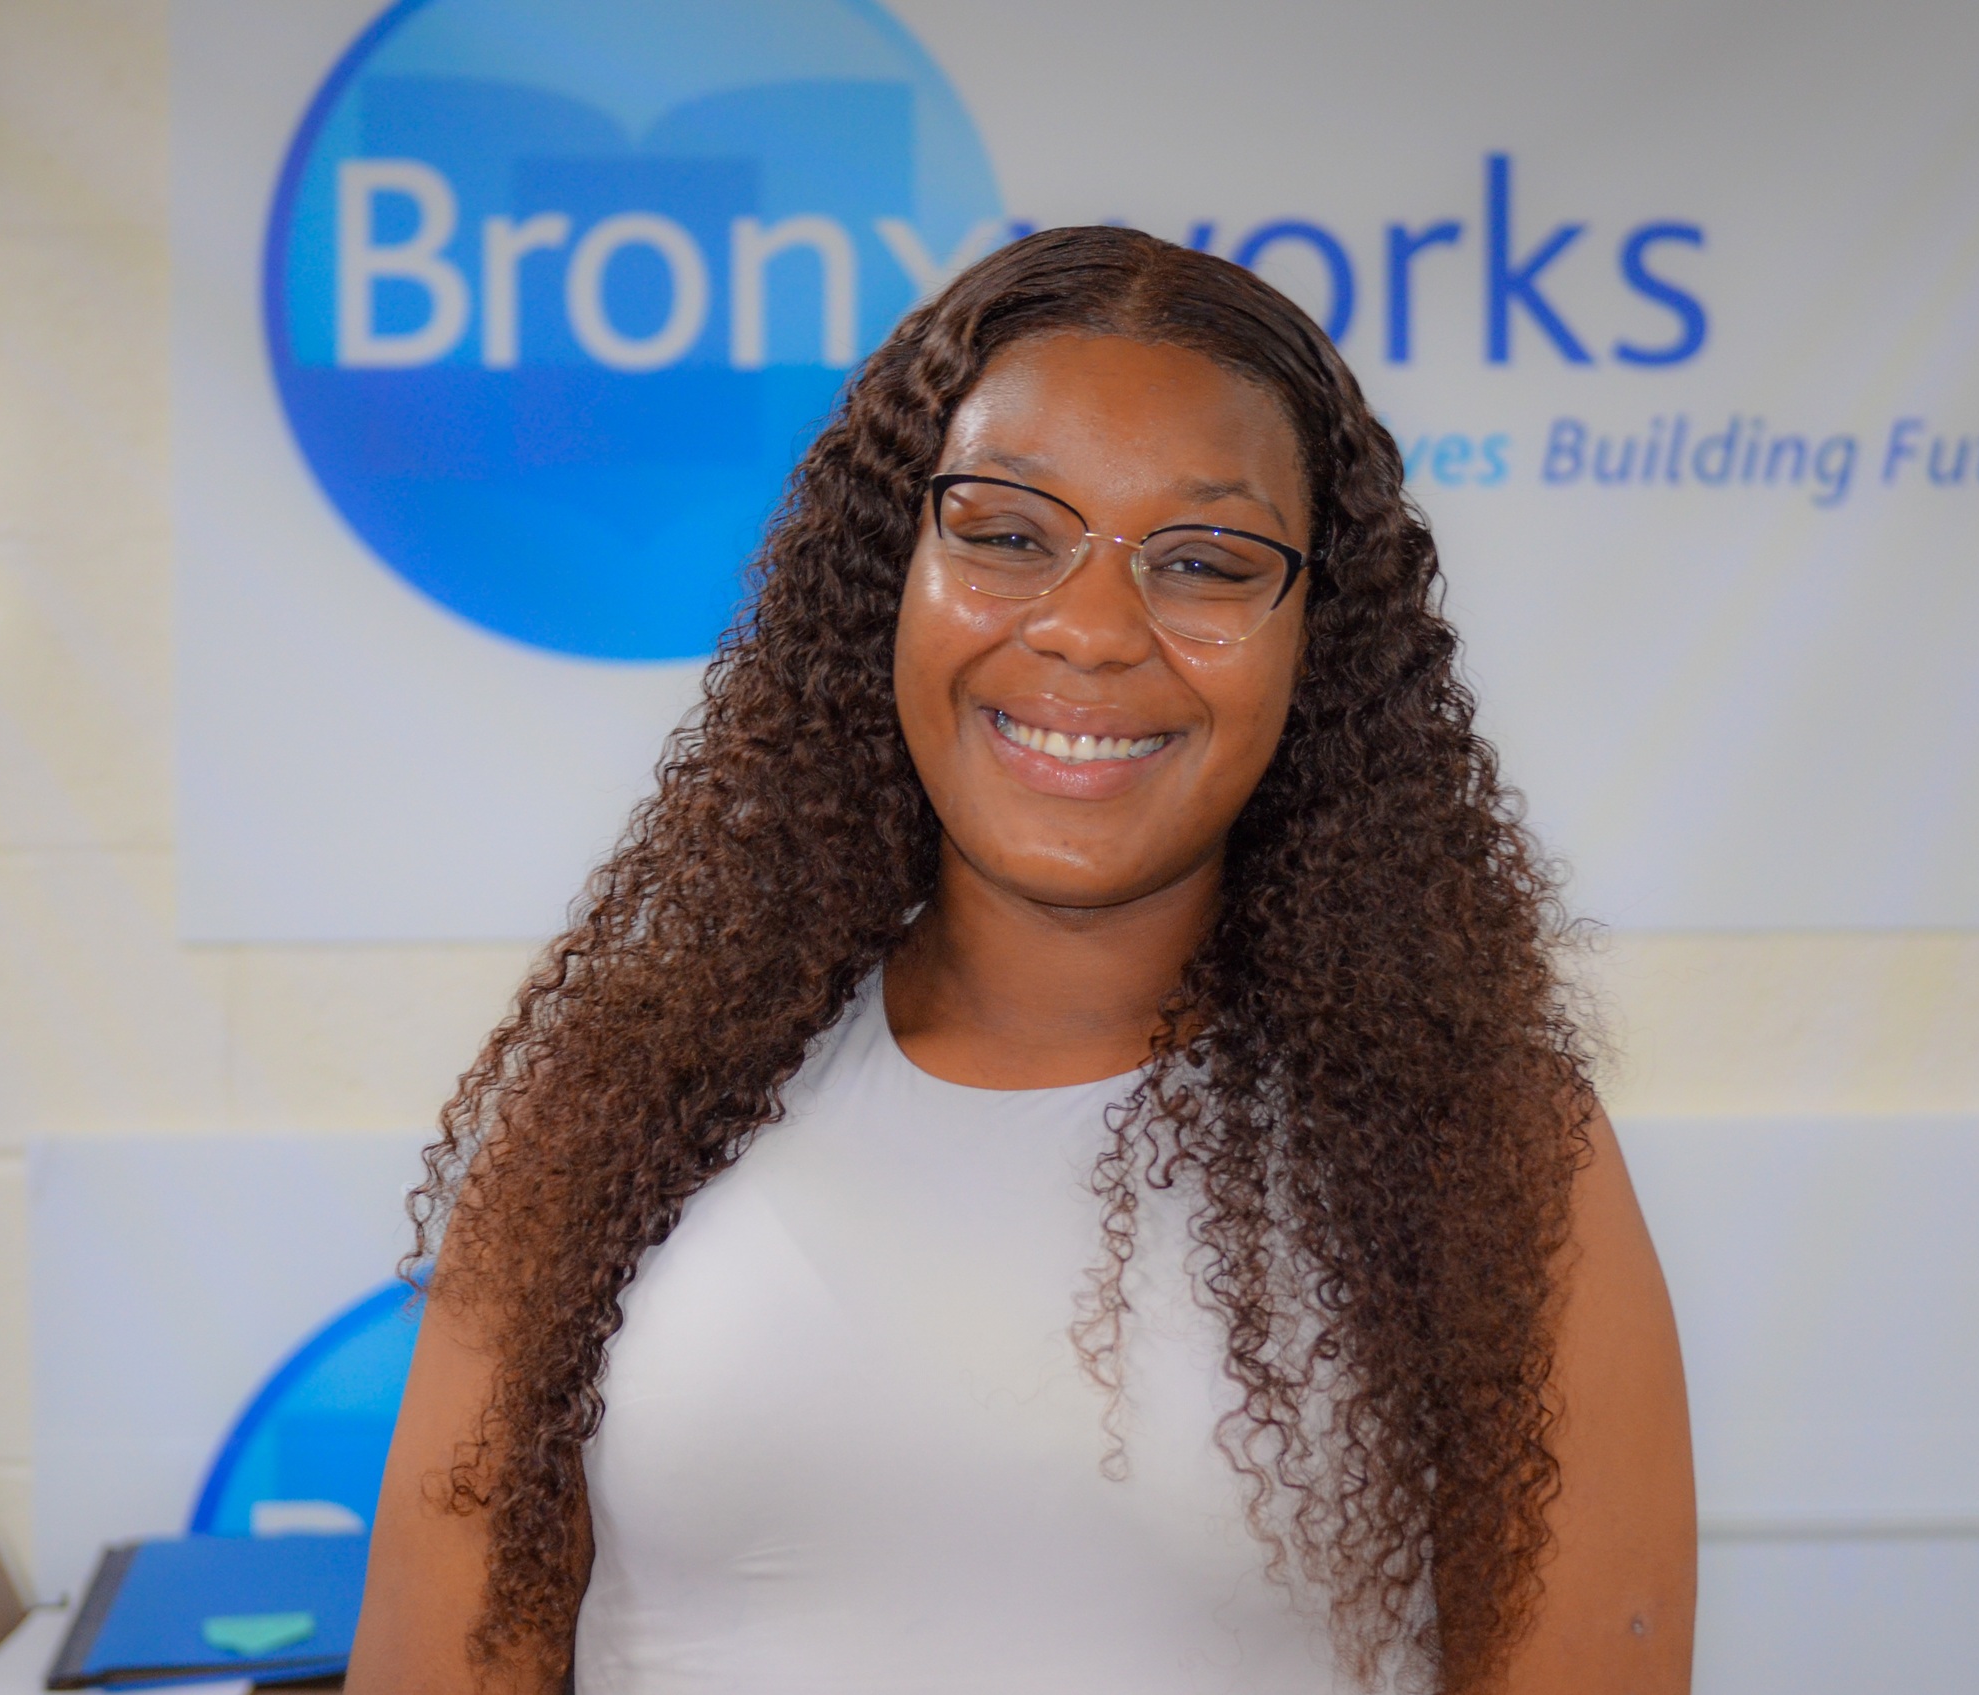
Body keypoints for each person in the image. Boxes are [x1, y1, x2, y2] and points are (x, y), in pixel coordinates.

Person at [350, 226, 1695, 1694]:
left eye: (1206, 561)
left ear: (1318, 643)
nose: (1092, 628)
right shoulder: (624, 1099)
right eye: (1005, 534)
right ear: (891, 578)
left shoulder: (1486, 1147)